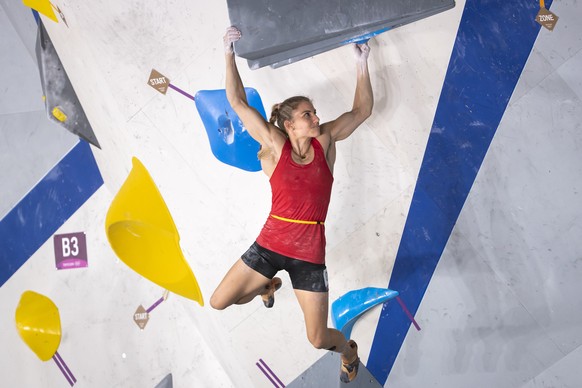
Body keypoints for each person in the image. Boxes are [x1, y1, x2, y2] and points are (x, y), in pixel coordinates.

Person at [210, 26, 373, 383]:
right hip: (270, 244)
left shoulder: (326, 141)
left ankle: (349, 351)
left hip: (309, 255)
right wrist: (228, 52)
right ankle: (267, 286)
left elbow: (361, 111)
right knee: (220, 301)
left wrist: (362, 64)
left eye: (315, 113)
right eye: (308, 115)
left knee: (317, 339)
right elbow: (236, 102)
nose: (316, 118)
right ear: (290, 125)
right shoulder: (273, 145)